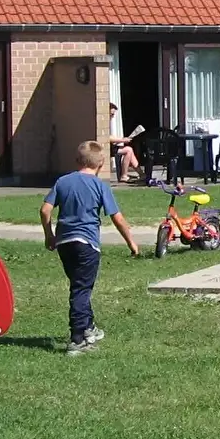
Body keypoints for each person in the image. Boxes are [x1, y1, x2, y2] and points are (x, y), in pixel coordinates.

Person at [40, 141, 139, 355]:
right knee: (81, 290)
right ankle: (77, 340)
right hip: (87, 244)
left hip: (64, 243)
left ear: (77, 160)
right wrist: (131, 242)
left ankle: (88, 327)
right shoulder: (100, 185)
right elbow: (117, 218)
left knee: (79, 285)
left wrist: (49, 235)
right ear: (101, 164)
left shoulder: (63, 181)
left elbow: (45, 210)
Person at [107, 102, 141, 182]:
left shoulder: (107, 122)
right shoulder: (104, 122)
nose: (112, 116)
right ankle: (124, 175)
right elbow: (107, 138)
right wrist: (122, 140)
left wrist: (122, 139)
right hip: (106, 148)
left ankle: (142, 174)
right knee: (128, 150)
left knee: (129, 150)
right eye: (111, 114)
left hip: (110, 146)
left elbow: (110, 137)